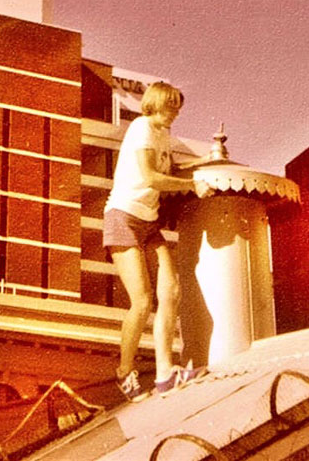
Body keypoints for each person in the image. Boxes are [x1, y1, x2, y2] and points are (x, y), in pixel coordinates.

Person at [103, 81, 209, 402]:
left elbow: (169, 168)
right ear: (156, 105)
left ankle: (165, 374)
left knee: (172, 290)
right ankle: (124, 372)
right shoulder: (141, 128)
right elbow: (150, 177)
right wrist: (193, 183)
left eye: (178, 107)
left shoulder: (163, 135)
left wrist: (203, 167)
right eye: (170, 106)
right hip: (123, 217)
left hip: (149, 222)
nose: (175, 113)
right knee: (142, 300)